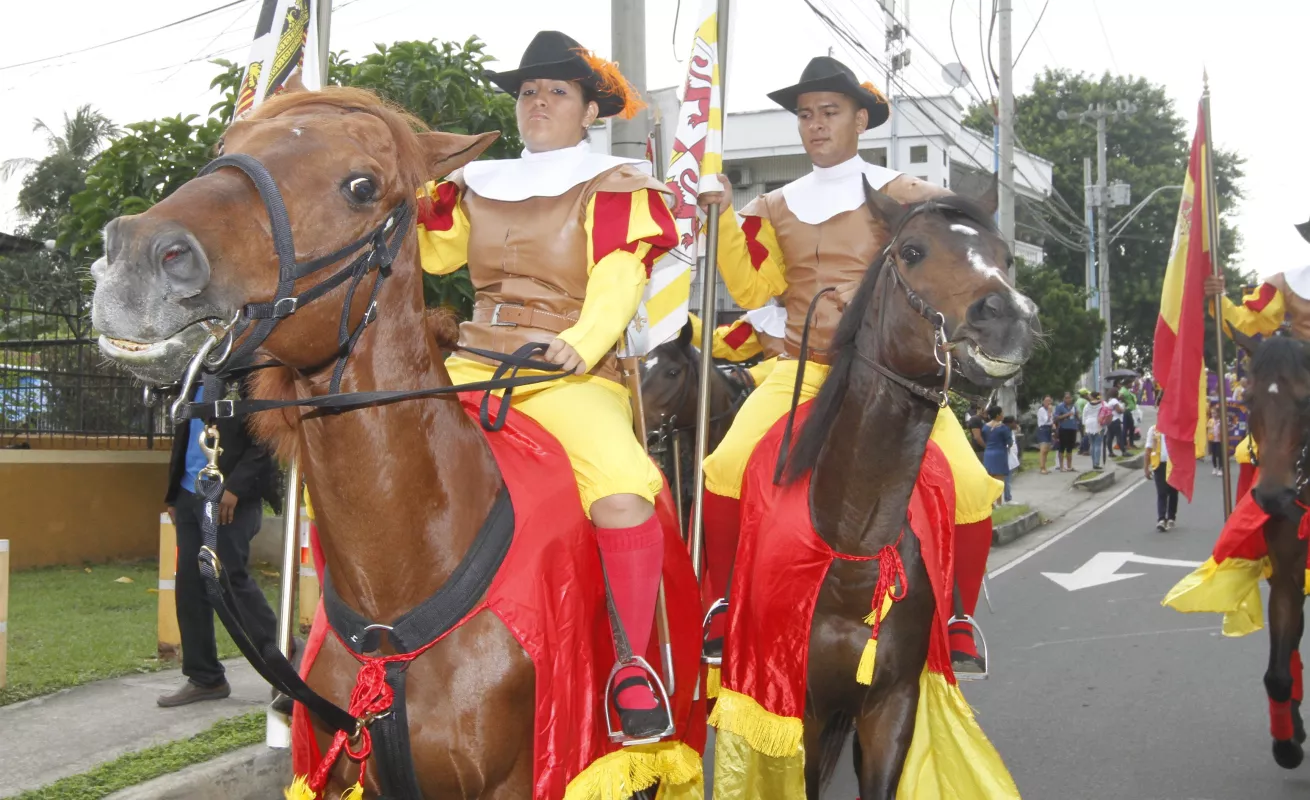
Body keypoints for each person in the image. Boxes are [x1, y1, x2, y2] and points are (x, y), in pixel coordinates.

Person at [415, 30, 679, 738]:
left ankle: (631, 663)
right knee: (375, 453)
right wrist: (391, 192)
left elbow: (621, 276)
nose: (537, 101)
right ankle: (345, 634)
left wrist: (581, 344)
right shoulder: (478, 182)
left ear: (591, 111)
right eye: (529, 91)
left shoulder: (615, 183)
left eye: (557, 91)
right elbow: (431, 250)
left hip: (569, 368)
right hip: (471, 356)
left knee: (623, 490)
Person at [159, 386, 282, 707]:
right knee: (189, 583)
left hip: (231, 498)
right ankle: (205, 677)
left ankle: (285, 669)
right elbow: (185, 433)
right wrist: (175, 496)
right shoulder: (194, 372)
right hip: (190, 493)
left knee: (229, 579)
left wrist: (236, 487)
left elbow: (265, 439)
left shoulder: (246, 369)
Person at [1144, 398, 1180, 531]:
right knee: (1161, 492)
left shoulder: (1175, 428)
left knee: (1173, 491)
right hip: (1159, 464)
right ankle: (1161, 519)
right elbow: (1148, 449)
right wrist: (1146, 468)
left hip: (1173, 464)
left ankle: (1171, 516)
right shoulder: (1153, 430)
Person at [981, 406, 1014, 504]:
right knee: (999, 481)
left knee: (990, 480)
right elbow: (1010, 442)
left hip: (988, 453)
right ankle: (999, 503)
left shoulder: (985, 427)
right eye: (1002, 413)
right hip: (999, 453)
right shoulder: (1003, 428)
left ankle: (990, 503)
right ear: (998, 415)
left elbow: (985, 438)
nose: (1003, 415)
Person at [1053, 391, 1079, 472]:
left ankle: (1069, 466)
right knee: (1062, 447)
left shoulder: (1074, 406)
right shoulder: (1060, 406)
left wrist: (1077, 415)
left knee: (1070, 447)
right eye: (1066, 398)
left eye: (1069, 398)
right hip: (1063, 428)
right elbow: (1056, 418)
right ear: (1063, 398)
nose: (1068, 399)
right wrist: (1066, 415)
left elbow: (1077, 416)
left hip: (1072, 428)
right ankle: (1061, 466)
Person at [1083, 391, 1106, 470]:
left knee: (1092, 444)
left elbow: (1084, 416)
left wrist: (1084, 426)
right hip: (1098, 425)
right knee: (1098, 444)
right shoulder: (1102, 404)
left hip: (1089, 424)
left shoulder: (1087, 405)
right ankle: (1097, 463)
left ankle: (1093, 463)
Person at [1103, 391, 1126, 459]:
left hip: (1110, 421)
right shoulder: (1114, 401)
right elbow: (1119, 410)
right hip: (1115, 420)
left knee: (1110, 437)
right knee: (1119, 436)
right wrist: (1123, 410)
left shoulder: (1109, 401)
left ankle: (1111, 452)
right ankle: (1123, 451)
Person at [1035, 394, 1054, 474]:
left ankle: (1044, 466)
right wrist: (1049, 412)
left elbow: (1051, 420)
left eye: (1049, 401)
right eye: (1046, 401)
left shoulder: (1050, 410)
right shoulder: (1041, 410)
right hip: (1043, 429)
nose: (1048, 403)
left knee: (1047, 449)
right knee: (1043, 449)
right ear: (1043, 402)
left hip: (1049, 429)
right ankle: (1042, 467)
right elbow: (1046, 420)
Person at [1119, 382, 1139, 448]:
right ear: (1127, 383)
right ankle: (1126, 443)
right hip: (1127, 410)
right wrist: (1125, 402)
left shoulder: (1126, 390)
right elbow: (1120, 396)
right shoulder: (1123, 390)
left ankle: (1130, 443)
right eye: (1130, 383)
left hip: (1131, 410)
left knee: (1131, 427)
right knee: (1128, 427)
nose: (1131, 385)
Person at [1207, 404, 1225, 476]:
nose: (1213, 415)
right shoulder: (1210, 421)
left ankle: (1220, 468)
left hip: (1219, 441)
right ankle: (1214, 467)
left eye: (1214, 413)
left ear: (1218, 413)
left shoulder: (1221, 421)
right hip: (1212, 440)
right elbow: (1208, 429)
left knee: (1220, 455)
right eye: (1212, 413)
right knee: (1213, 455)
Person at [1075, 387, 1092, 455]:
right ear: (1084, 394)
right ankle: (1085, 450)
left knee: (1083, 435)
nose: (1088, 395)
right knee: (1086, 435)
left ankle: (1081, 449)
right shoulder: (1085, 401)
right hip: (1085, 418)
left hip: (1079, 419)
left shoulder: (1077, 401)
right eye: (1087, 394)